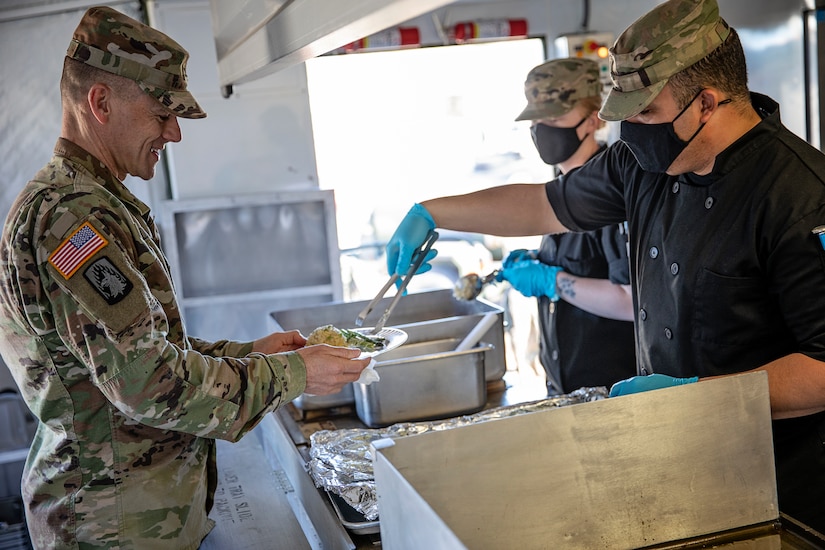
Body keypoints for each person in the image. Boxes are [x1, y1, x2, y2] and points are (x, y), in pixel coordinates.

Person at [385, 0, 825, 532]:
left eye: (646, 114)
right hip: (679, 458)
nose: (631, 131)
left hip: (783, 487)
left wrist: (702, 397)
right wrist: (434, 212)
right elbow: (545, 205)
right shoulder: (644, 165)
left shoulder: (800, 197)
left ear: (707, 103)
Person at [0, 7, 369, 549]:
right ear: (100, 104)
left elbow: (143, 348)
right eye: (160, 114)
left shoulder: (94, 202)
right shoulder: (73, 218)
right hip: (112, 527)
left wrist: (250, 356)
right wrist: (290, 375)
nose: (173, 132)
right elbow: (146, 383)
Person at [502, 58, 636, 395]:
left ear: (593, 119)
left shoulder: (611, 192)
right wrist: (540, 259)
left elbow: (629, 302)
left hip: (612, 392)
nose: (544, 129)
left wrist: (553, 281)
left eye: (557, 118)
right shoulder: (559, 188)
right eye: (537, 120)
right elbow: (589, 259)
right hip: (566, 391)